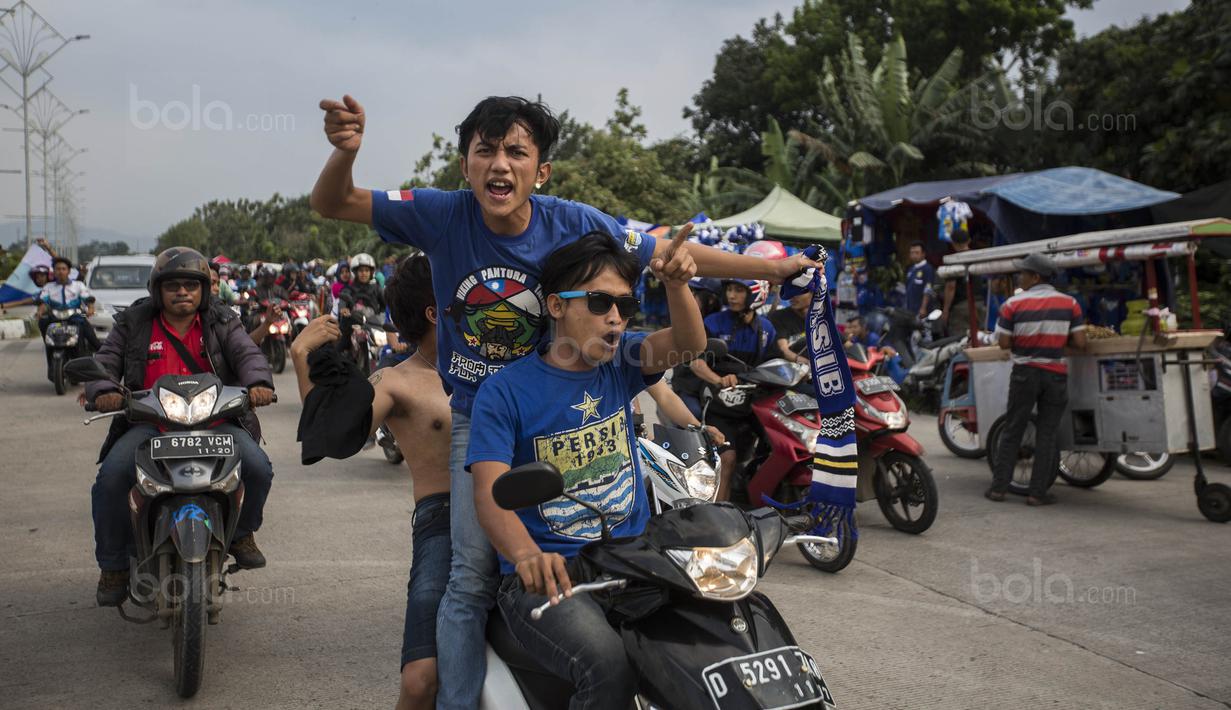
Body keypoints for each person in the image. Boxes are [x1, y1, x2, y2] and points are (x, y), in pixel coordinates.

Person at [310, 93, 819, 709]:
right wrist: (345, 152)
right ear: (465, 165)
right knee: (471, 578)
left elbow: (668, 257)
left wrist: (773, 270)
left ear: (542, 170)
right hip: (483, 408)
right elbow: (333, 202)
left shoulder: (577, 231)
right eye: (486, 151)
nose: (501, 164)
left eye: (517, 152)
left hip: (573, 385)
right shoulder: (443, 214)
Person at [467, 232, 703, 710]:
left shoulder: (622, 363)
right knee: (609, 665)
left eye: (625, 305)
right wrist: (527, 556)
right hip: (548, 578)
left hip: (632, 561)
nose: (615, 317)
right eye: (599, 302)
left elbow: (688, 344)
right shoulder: (504, 392)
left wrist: (677, 286)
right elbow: (491, 495)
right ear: (556, 305)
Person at [291, 256, 451, 710]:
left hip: (517, 511)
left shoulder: (503, 364)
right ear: (434, 311)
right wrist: (301, 356)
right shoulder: (395, 380)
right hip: (443, 521)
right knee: (421, 679)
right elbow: (334, 432)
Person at [84, 247, 276, 606]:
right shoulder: (134, 322)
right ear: (158, 290)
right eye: (173, 285)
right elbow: (106, 359)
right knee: (110, 479)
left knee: (258, 468)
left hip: (215, 422)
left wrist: (258, 384)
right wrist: (104, 390)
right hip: (151, 424)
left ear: (204, 289)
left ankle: (241, 533)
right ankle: (114, 566)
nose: (182, 292)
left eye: (191, 285)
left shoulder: (223, 320)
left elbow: (247, 353)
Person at [987, 253, 1087, 506]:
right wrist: (1054, 344)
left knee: (1013, 429)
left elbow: (1004, 343)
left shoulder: (1013, 304)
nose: (1019, 277)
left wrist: (1026, 344)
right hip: (1055, 375)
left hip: (1024, 374)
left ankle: (998, 489)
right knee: (1047, 434)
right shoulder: (1070, 304)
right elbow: (1080, 343)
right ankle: (1037, 493)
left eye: (1023, 273)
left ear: (1035, 277)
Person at [687, 278, 776, 500]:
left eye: (738, 290)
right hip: (720, 403)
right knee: (727, 458)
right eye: (729, 290)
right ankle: (720, 513)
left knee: (780, 445)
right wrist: (719, 379)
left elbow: (774, 363)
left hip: (753, 402)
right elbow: (697, 363)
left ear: (756, 294)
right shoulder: (713, 323)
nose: (731, 295)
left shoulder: (767, 329)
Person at [37, 257, 101, 372]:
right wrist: (40, 311)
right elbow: (43, 302)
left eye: (63, 269)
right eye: (58, 269)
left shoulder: (78, 285)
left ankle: (103, 363)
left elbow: (87, 298)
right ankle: (51, 363)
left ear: (69, 271)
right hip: (54, 318)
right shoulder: (48, 287)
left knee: (91, 336)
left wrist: (90, 308)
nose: (61, 271)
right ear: (54, 271)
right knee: (42, 321)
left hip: (76, 316)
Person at [941, 228, 982, 337]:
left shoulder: (953, 260)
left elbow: (951, 286)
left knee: (960, 340)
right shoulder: (979, 257)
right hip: (980, 304)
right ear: (969, 240)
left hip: (961, 307)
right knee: (979, 338)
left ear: (953, 243)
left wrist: (946, 310)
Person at [844, 315, 908, 384]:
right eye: (851, 327)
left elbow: (878, 354)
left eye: (855, 327)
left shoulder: (873, 338)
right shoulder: (855, 339)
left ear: (863, 327)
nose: (852, 330)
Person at [769, 289, 811, 365]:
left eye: (798, 292)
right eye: (790, 293)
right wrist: (808, 363)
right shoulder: (779, 317)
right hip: (789, 367)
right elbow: (783, 350)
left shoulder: (824, 317)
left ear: (813, 294)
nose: (792, 296)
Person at [905, 240, 935, 318]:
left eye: (917, 253)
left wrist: (923, 308)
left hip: (921, 310)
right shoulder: (911, 269)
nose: (914, 255)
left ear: (923, 254)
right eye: (912, 253)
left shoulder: (928, 269)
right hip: (910, 309)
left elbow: (928, 289)